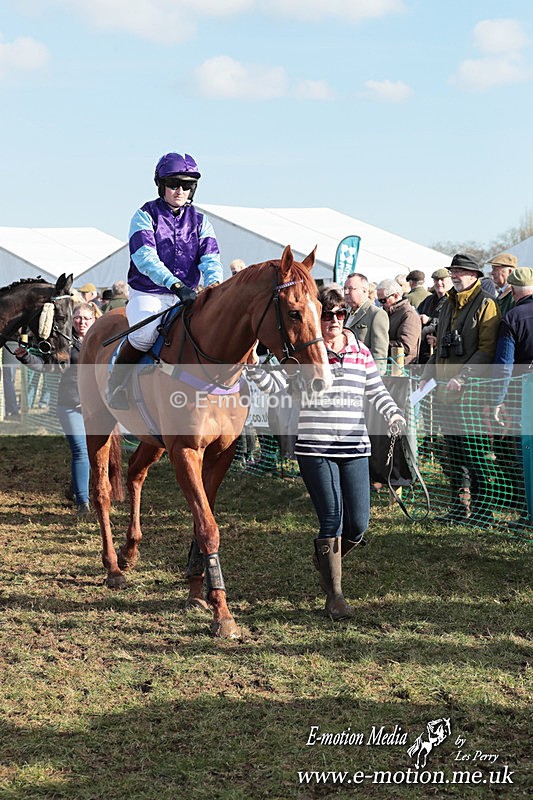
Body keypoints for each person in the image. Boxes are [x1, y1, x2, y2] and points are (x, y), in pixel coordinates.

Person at [248, 286, 405, 621]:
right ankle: (335, 595)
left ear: (345, 316)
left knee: (358, 524)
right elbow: (278, 387)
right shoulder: (303, 355)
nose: (334, 320)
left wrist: (393, 414)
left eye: (339, 314)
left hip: (355, 447)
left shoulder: (360, 351)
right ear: (317, 318)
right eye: (327, 315)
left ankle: (324, 558)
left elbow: (375, 389)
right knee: (331, 519)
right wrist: (254, 369)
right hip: (315, 447)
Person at [106, 152, 223, 409]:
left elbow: (211, 259)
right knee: (144, 335)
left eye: (187, 185)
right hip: (149, 293)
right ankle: (116, 384)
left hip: (188, 295)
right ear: (161, 185)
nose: (180, 190)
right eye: (174, 184)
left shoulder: (202, 222)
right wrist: (176, 285)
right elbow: (145, 258)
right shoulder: (144, 215)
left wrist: (215, 286)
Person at [419, 253, 500, 526]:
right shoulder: (448, 304)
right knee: (453, 453)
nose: (454, 275)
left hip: (471, 393)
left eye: (460, 271)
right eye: (453, 271)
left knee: (475, 453)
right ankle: (458, 508)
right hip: (445, 390)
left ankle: (483, 512)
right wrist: (427, 376)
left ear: (475, 275)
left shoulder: (486, 304)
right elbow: (440, 346)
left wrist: (464, 377)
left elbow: (487, 349)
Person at [14, 302, 101, 515]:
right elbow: (46, 365)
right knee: (81, 450)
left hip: (97, 407)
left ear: (94, 320)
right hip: (70, 403)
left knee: (93, 452)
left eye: (86, 319)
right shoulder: (64, 343)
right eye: (78, 318)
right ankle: (83, 502)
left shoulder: (103, 340)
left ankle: (74, 488)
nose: (81, 322)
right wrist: (25, 356)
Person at [492, 267, 533, 528]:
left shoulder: (513, 316)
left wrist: (498, 399)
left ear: (513, 290)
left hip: (524, 393)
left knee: (526, 453)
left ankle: (529, 515)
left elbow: (504, 365)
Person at [343, 272, 389, 373]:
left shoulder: (376, 314)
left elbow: (379, 354)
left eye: (350, 288)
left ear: (364, 290)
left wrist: (374, 379)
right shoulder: (344, 313)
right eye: (345, 288)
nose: (346, 292)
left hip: (362, 373)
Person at [376, 278, 422, 366]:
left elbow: (406, 346)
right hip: (388, 365)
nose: (381, 304)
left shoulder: (409, 315)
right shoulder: (387, 312)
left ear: (396, 296)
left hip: (402, 369)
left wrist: (377, 344)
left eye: (383, 300)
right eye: (379, 301)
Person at [417, 267, 453, 364]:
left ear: (450, 280)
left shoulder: (453, 301)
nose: (439, 283)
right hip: (423, 350)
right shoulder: (428, 300)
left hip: (442, 351)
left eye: (442, 279)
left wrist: (430, 319)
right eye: (436, 280)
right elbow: (417, 313)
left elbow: (451, 321)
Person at [488, 252, 517, 317]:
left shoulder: (514, 295)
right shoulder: (503, 292)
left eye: (495, 269)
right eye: (492, 269)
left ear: (509, 271)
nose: (492, 273)